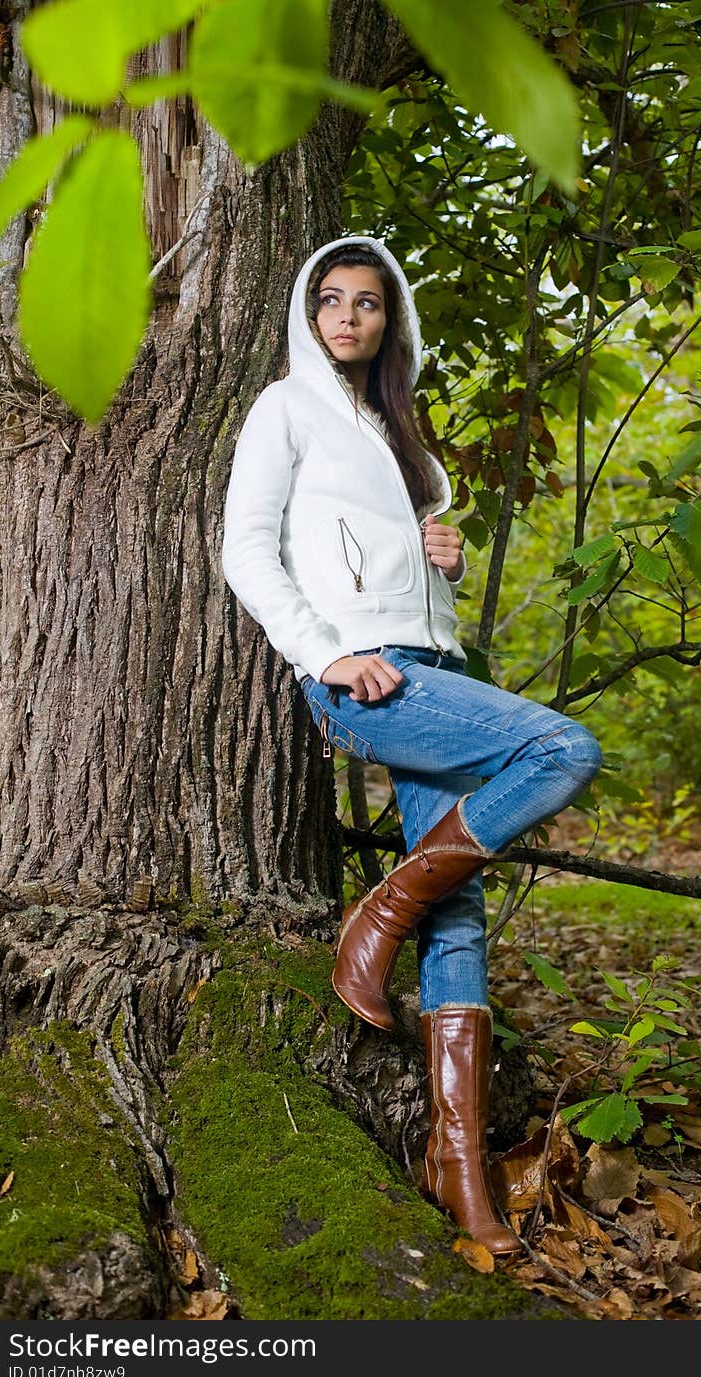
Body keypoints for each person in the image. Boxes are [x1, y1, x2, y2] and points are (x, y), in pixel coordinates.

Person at [221, 234, 602, 1257]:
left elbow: (395, 566)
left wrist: (441, 551)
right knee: (563, 748)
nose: (348, 316)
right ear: (308, 313)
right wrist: (324, 654)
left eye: (368, 303)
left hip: (431, 664)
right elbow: (247, 548)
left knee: (460, 912)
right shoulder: (283, 407)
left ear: (392, 319)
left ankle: (457, 1162)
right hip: (365, 676)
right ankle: (376, 915)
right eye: (331, 300)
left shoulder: (399, 428)